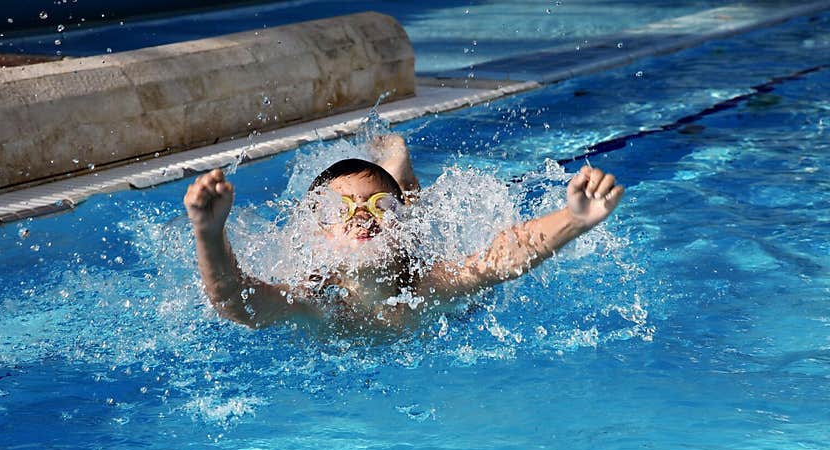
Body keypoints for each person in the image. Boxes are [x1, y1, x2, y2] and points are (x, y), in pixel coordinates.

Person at [183, 134, 624, 330]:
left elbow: (500, 258)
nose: (361, 217)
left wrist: (576, 218)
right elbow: (235, 303)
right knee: (402, 207)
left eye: (378, 206)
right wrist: (209, 231)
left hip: (412, 252)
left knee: (410, 219)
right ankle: (397, 172)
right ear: (314, 228)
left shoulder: (425, 286)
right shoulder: (313, 301)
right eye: (340, 209)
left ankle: (399, 175)